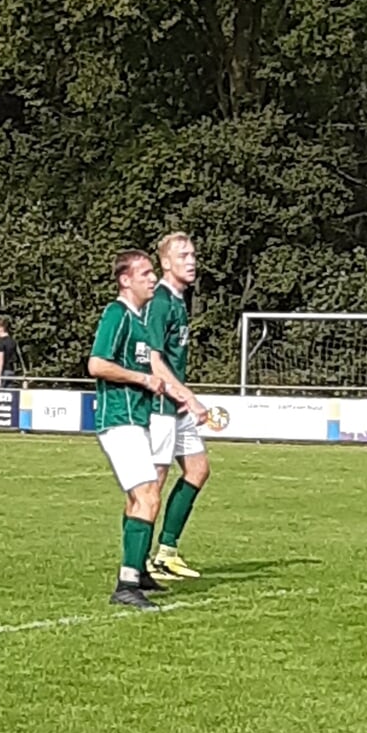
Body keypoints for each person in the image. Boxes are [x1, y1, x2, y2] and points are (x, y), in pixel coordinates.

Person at [88, 250, 171, 609]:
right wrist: (142, 378)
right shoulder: (117, 314)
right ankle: (127, 583)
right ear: (125, 280)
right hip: (118, 419)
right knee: (149, 494)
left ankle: (138, 570)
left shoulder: (139, 321)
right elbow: (96, 364)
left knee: (139, 496)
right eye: (145, 273)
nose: (152, 279)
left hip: (136, 419)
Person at [145, 232, 210, 580]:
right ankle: (138, 561)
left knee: (198, 470)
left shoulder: (178, 302)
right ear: (166, 263)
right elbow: (154, 361)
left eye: (193, 255)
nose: (191, 260)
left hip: (176, 404)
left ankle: (166, 552)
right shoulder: (159, 301)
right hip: (159, 404)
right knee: (153, 483)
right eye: (183, 255)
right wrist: (189, 396)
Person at [0, 318, 21, 387]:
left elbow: (0, 359)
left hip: (3, 372)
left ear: (1, 328)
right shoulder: (12, 341)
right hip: (11, 371)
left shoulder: (0, 342)